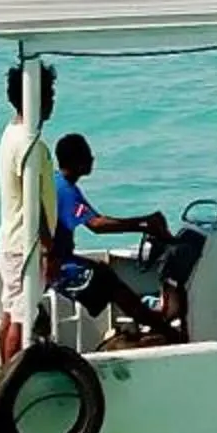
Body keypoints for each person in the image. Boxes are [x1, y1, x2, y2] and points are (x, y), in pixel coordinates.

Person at [46, 133, 181, 343]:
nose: (92, 158)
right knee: (109, 282)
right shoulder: (66, 190)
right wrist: (143, 223)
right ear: (76, 161)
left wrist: (144, 223)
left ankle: (155, 324)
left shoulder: (58, 182)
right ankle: (167, 332)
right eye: (87, 155)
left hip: (59, 258)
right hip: (57, 265)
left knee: (104, 271)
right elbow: (96, 225)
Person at [0, 64, 56, 361]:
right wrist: (48, 249)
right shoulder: (31, 145)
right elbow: (36, 205)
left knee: (9, 314)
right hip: (26, 246)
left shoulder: (9, 134)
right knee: (21, 321)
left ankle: (3, 381)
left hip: (10, 240)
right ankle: (11, 385)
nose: (53, 100)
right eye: (49, 94)